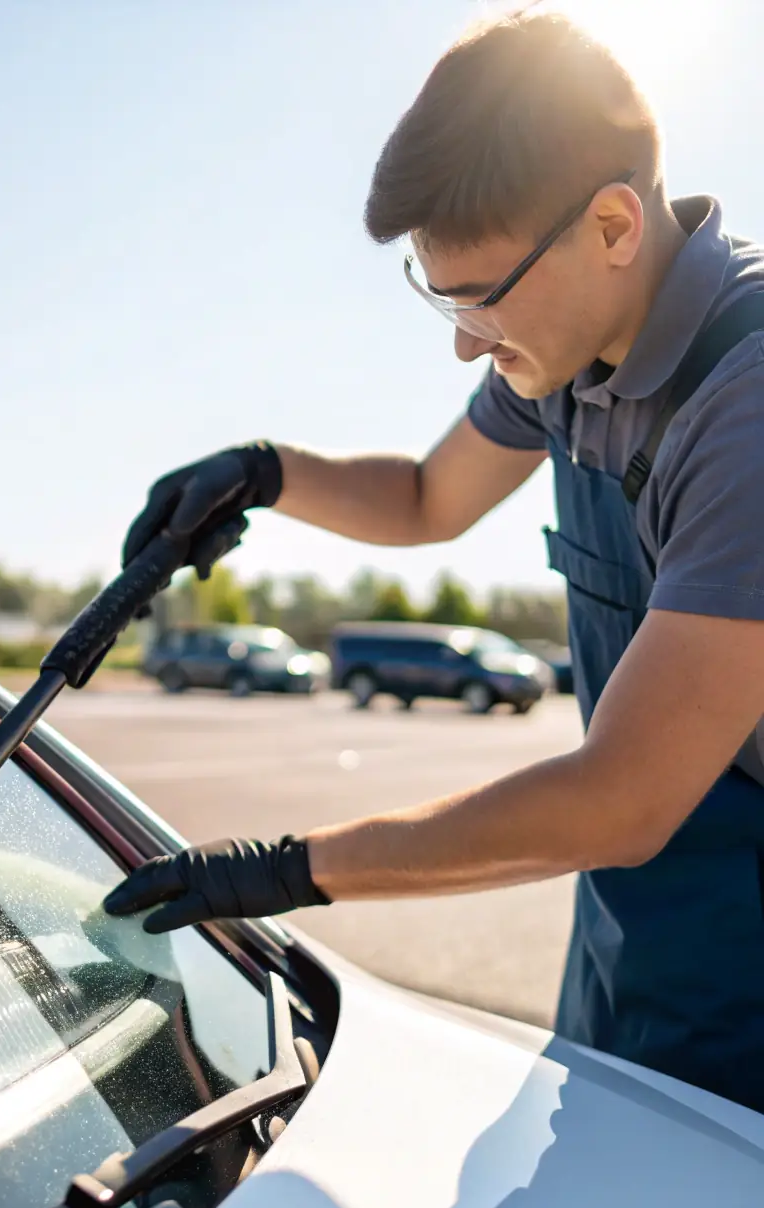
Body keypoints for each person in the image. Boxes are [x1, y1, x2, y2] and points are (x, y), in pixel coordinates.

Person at [105, 8, 764, 1113]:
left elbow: (622, 797)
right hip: (627, 936)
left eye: (479, 299)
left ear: (611, 224)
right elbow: (425, 499)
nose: (463, 342)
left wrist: (289, 869)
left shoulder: (743, 408)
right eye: (438, 294)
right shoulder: (559, 351)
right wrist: (266, 473)